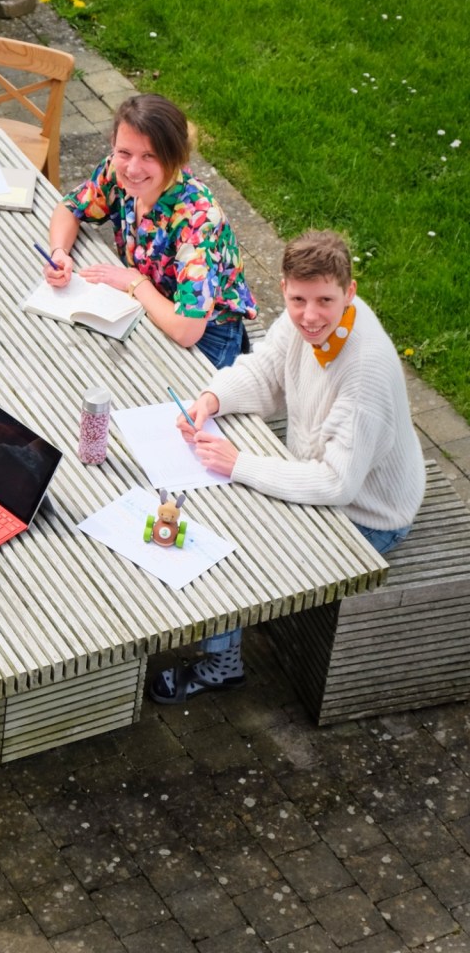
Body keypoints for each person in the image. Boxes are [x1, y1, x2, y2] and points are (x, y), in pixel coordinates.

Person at [150, 229, 425, 703]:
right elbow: (265, 371)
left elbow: (336, 484)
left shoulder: (365, 372)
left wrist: (240, 464)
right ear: (284, 289)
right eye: (298, 300)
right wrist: (212, 399)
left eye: (324, 301)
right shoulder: (305, 324)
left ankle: (223, 665)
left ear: (349, 293)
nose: (309, 315)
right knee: (217, 504)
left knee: (237, 547)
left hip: (368, 512)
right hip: (320, 470)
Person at [44, 93, 257, 369]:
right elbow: (70, 207)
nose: (133, 169)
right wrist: (59, 252)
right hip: (145, 308)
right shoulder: (116, 171)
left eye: (149, 156)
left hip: (208, 337)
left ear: (175, 158)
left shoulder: (197, 219)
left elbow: (187, 330)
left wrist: (135, 283)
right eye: (124, 152)